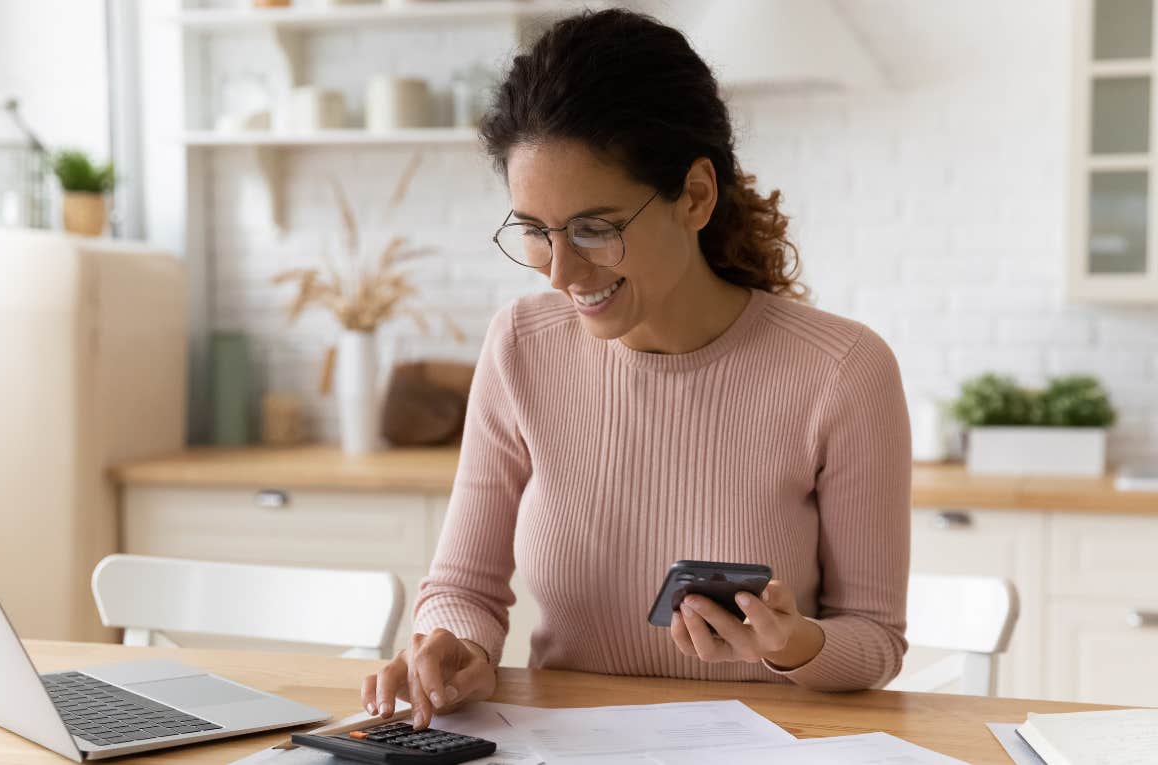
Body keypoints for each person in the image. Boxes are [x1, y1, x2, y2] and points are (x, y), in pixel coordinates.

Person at [362, 8, 911, 730]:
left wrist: (797, 643)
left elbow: (874, 638)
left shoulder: (842, 371)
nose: (561, 272)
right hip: (558, 746)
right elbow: (464, 585)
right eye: (534, 231)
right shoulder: (521, 346)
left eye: (595, 228)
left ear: (696, 196)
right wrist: (456, 645)